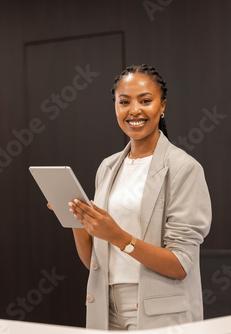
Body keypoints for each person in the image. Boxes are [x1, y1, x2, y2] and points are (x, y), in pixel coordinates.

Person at [65, 64, 212, 330]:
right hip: (105, 307)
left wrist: (117, 236)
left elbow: (180, 265)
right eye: (124, 102)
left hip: (157, 312)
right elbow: (94, 262)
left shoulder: (184, 168)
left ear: (162, 105)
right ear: (115, 107)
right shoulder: (108, 168)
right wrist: (77, 219)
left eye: (145, 101)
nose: (134, 110)